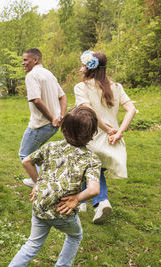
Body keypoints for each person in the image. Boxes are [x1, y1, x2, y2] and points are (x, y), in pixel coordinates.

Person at [9, 106, 101, 267]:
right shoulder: (91, 159)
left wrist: (38, 182)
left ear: (63, 127)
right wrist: (77, 199)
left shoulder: (51, 147)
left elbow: (26, 161)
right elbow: (94, 189)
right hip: (62, 211)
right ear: (92, 133)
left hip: (40, 206)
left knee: (32, 244)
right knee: (75, 236)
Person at [74, 51, 136, 224]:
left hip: (92, 136)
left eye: (83, 65)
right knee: (93, 169)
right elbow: (131, 109)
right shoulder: (116, 86)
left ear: (90, 67)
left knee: (90, 168)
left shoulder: (82, 87)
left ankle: (101, 201)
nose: (80, 69)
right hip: (111, 140)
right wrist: (118, 131)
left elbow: (90, 111)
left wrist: (107, 130)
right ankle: (83, 201)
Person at [19, 48, 67, 187]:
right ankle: (40, 178)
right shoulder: (49, 74)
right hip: (52, 125)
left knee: (25, 155)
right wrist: (60, 116)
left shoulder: (32, 76)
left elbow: (36, 100)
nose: (23, 63)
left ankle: (41, 184)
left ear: (35, 60)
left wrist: (53, 117)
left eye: (25, 60)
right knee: (34, 154)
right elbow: (63, 96)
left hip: (41, 124)